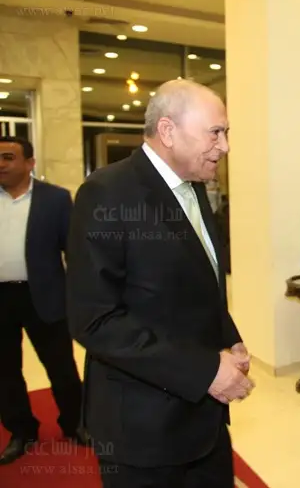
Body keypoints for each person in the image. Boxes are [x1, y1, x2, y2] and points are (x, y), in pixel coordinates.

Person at [66, 79, 253, 487]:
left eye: (226, 133)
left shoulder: (194, 187)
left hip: (204, 422)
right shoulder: (106, 193)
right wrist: (205, 370)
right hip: (143, 430)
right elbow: (94, 319)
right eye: (215, 133)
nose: (224, 146)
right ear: (168, 131)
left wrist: (228, 336)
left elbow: (197, 281)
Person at [0, 137, 87, 465]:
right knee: (5, 371)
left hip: (44, 295)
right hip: (1, 298)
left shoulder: (55, 199)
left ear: (30, 163)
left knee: (61, 367)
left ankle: (75, 424)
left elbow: (74, 251)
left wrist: (78, 296)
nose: (1, 164)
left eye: (8, 157)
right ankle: (21, 431)